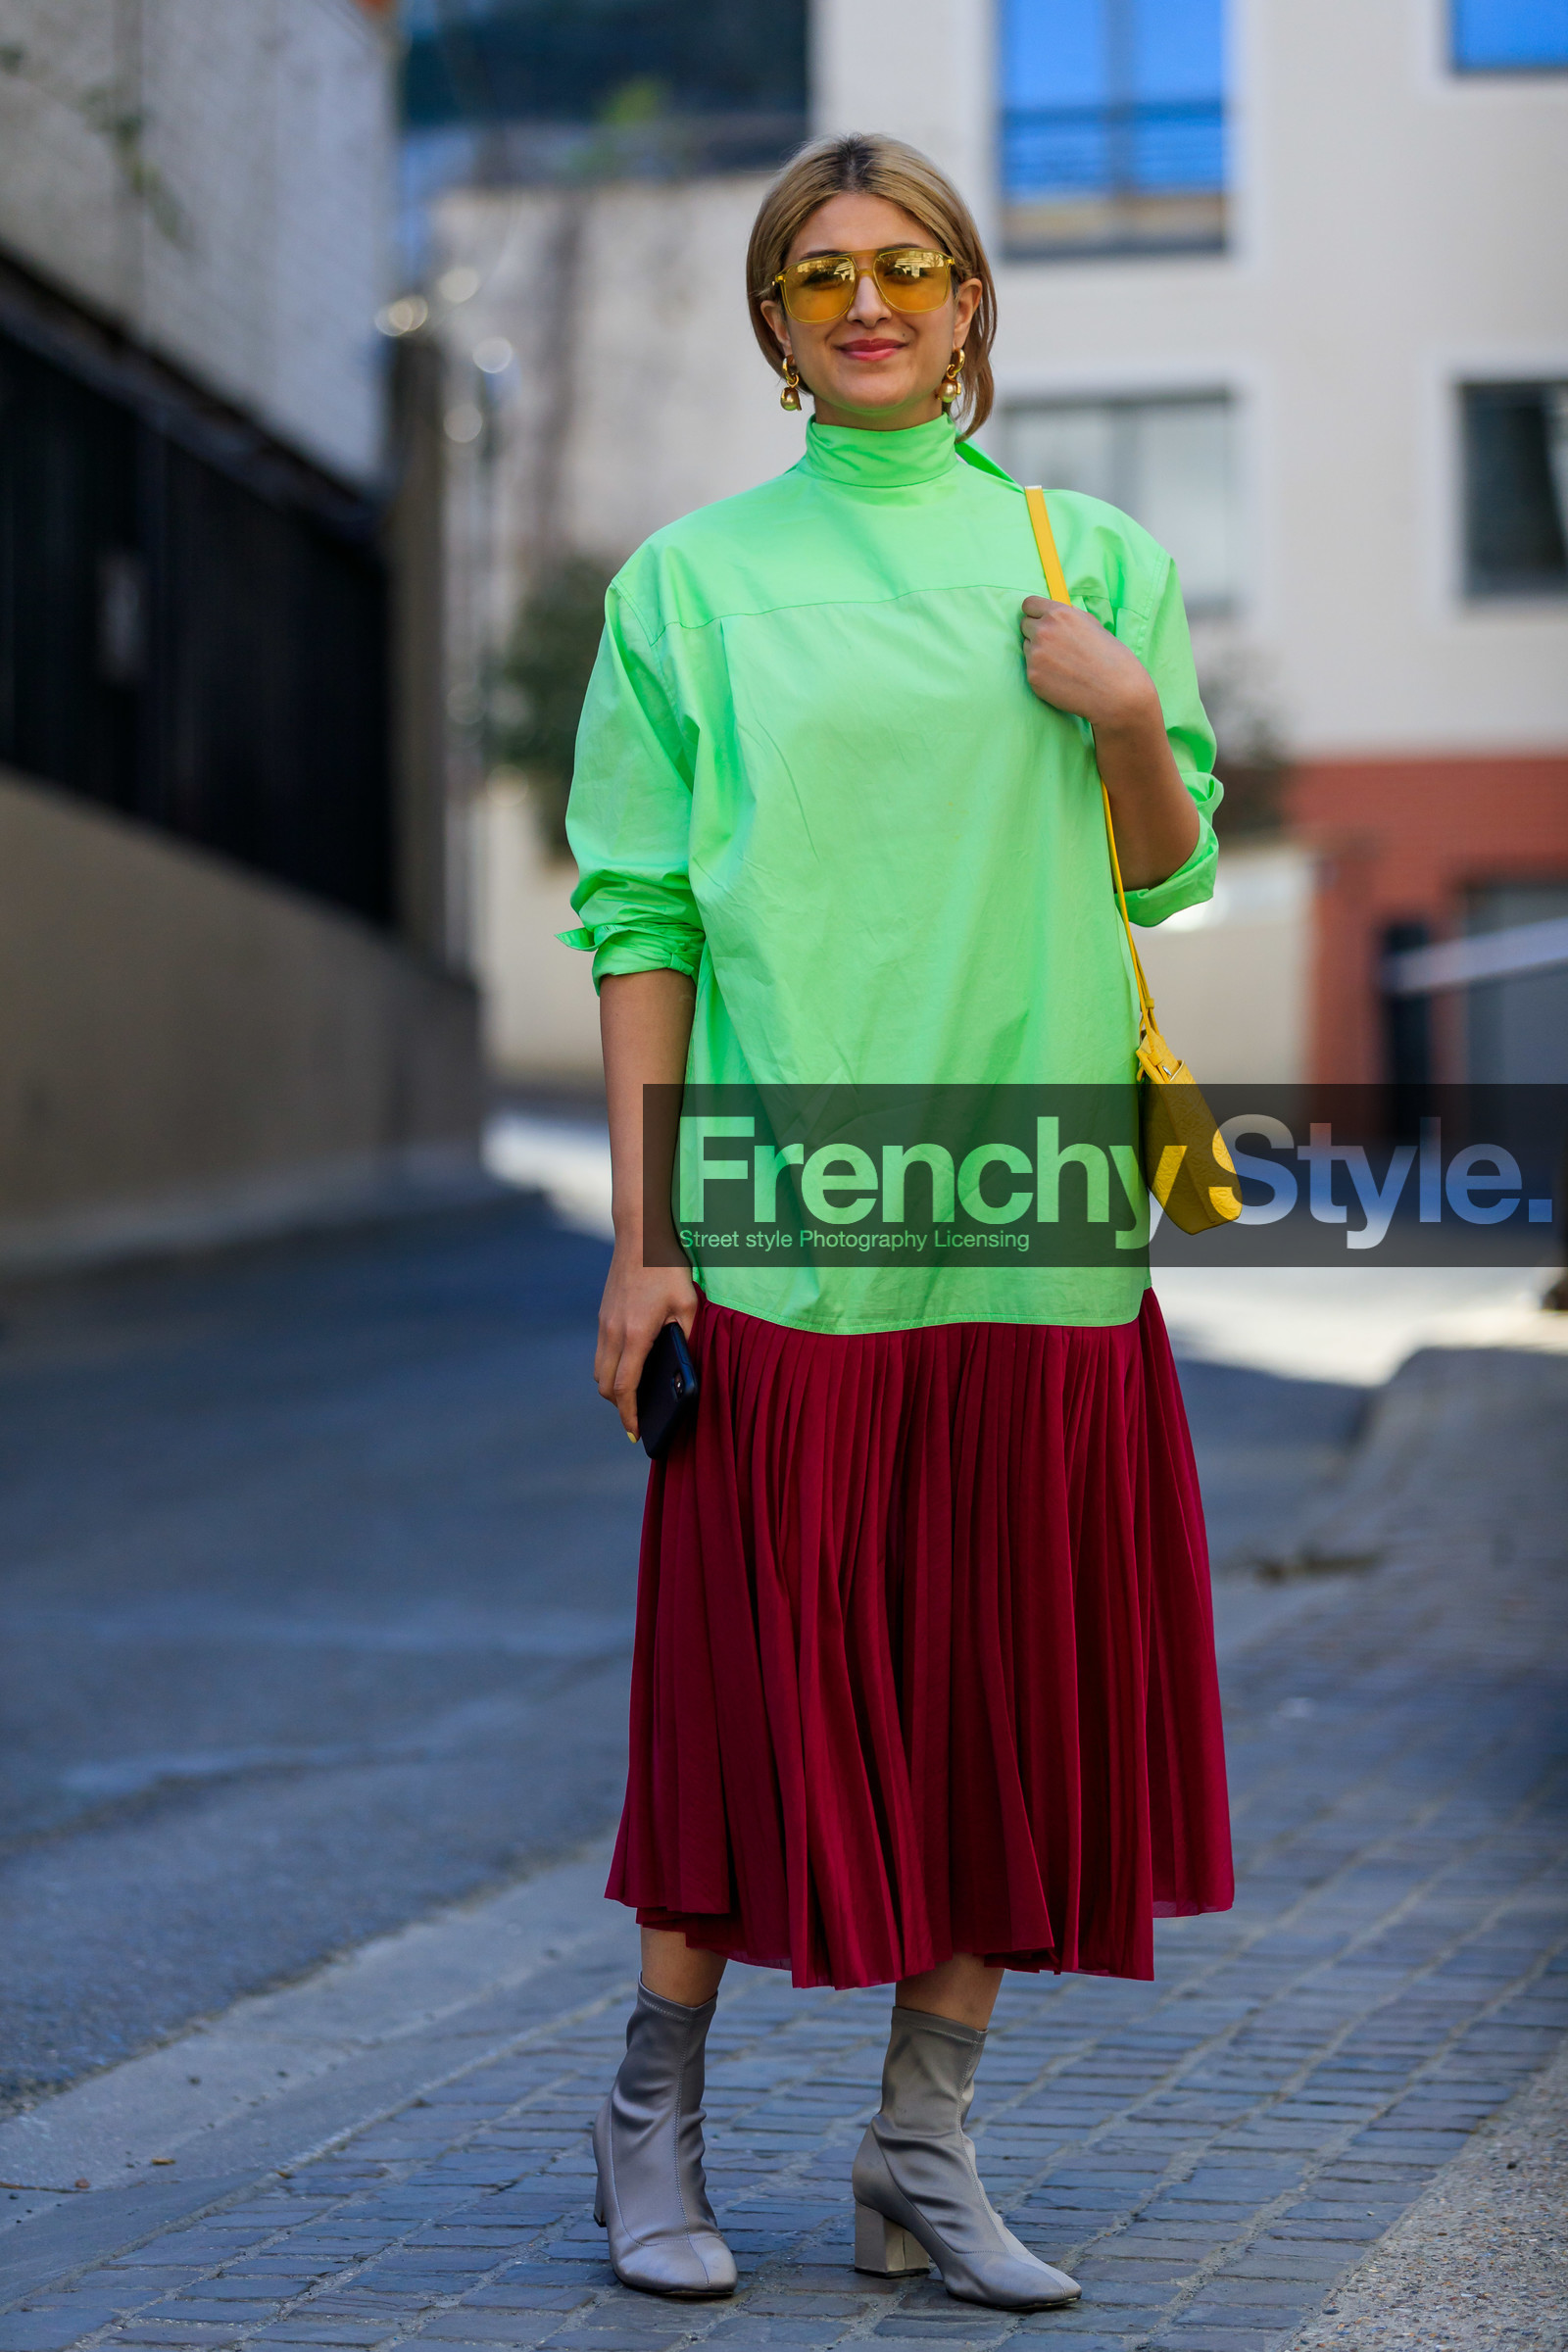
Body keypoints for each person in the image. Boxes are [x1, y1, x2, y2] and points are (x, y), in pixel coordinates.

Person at [560, 131, 1235, 2313]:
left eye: (911, 267)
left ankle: (915, 2160)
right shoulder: (687, 584)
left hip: (1031, 1211)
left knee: (991, 1708)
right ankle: (648, 2127)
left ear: (966, 305)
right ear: (771, 317)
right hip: (783, 1221)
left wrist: (1129, 719)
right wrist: (641, 1232)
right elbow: (640, 916)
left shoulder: (1088, 556)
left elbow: (1161, 872)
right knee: (744, 1706)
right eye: (822, 272)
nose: (869, 302)